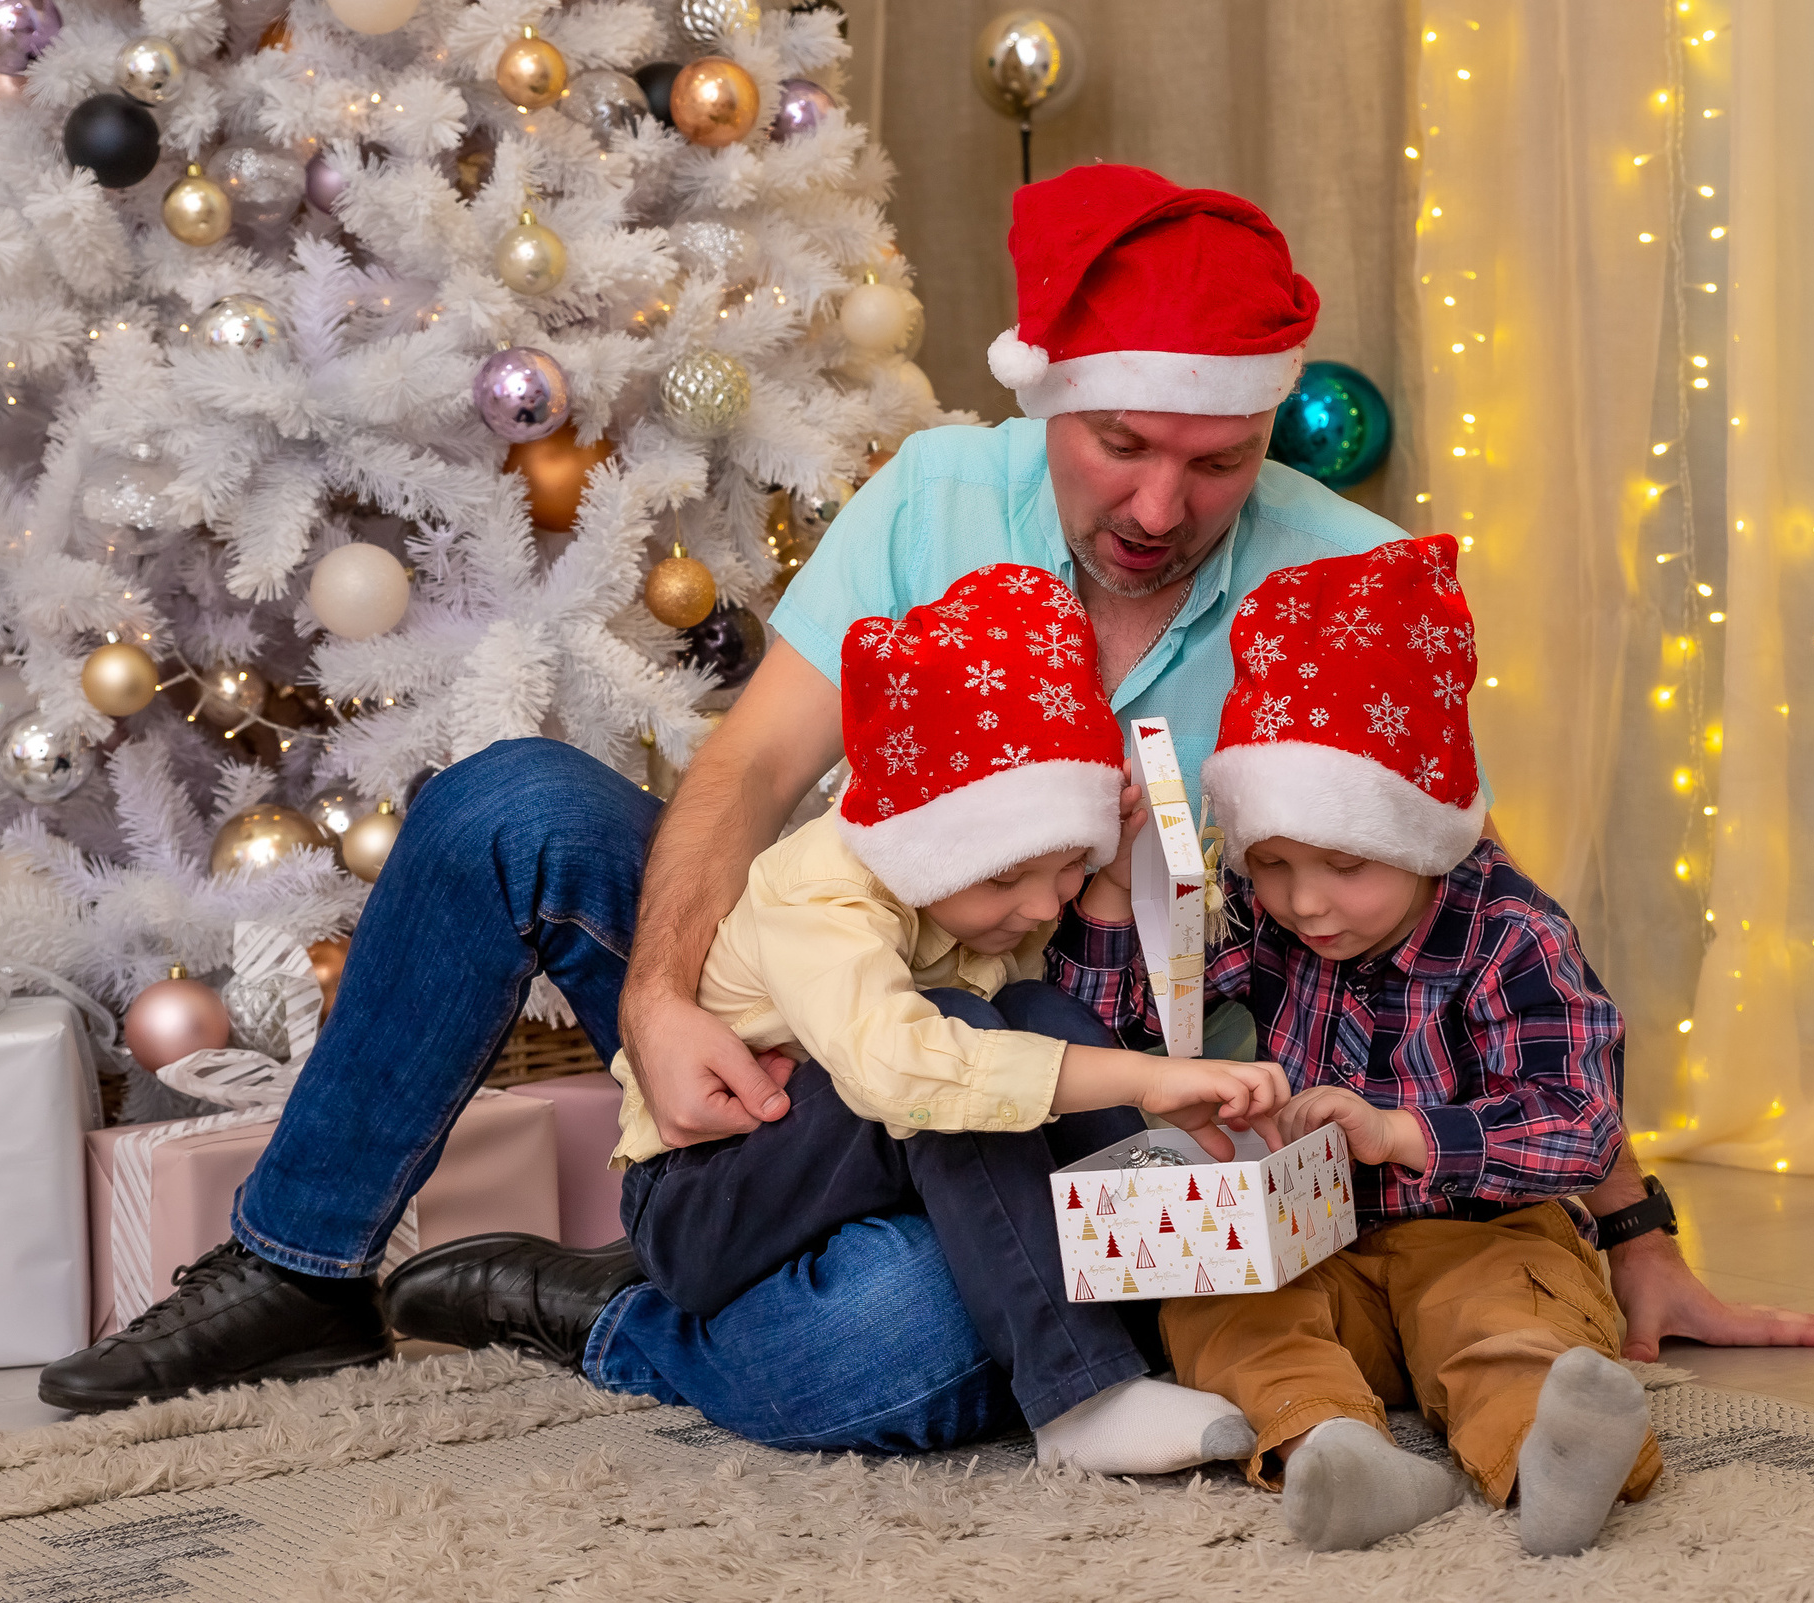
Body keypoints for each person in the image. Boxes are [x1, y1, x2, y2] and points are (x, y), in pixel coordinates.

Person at [37, 163, 1814, 1436]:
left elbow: (1474, 916)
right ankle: (300, 1258)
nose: (1158, 499)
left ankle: (609, 1314)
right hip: (822, 1002)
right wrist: (660, 1006)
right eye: (1120, 442)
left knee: (909, 1347)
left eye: (1213, 461)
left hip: (1049, 1103)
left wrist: (1632, 1225)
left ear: (1263, 440)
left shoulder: (1340, 573)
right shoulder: (934, 494)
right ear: (1048, 398)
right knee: (509, 799)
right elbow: (742, 768)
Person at [437, 562, 1292, 1472]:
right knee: (956, 1040)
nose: (1044, 904)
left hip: (849, 1171)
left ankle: (1142, 1307)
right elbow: (909, 1072)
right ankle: (1082, 1395)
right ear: (923, 846)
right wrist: (1150, 1076)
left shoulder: (991, 895)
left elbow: (1038, 1026)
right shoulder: (821, 894)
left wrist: (1109, 878)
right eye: (1009, 877)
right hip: (708, 1194)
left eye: (1066, 867)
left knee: (1037, 1006)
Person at [1057, 536, 1654, 1554]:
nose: (1306, 900)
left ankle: (1548, 1456)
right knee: (1224, 1313)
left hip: (1480, 1231)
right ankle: (1332, 1446)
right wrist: (1118, 894)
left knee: (1498, 1319)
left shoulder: (1512, 934)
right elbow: (1123, 1028)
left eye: (1343, 863)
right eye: (1276, 861)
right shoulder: (1269, 917)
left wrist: (1398, 1133)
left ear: (1421, 834)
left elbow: (1581, 1131)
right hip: (1313, 1246)